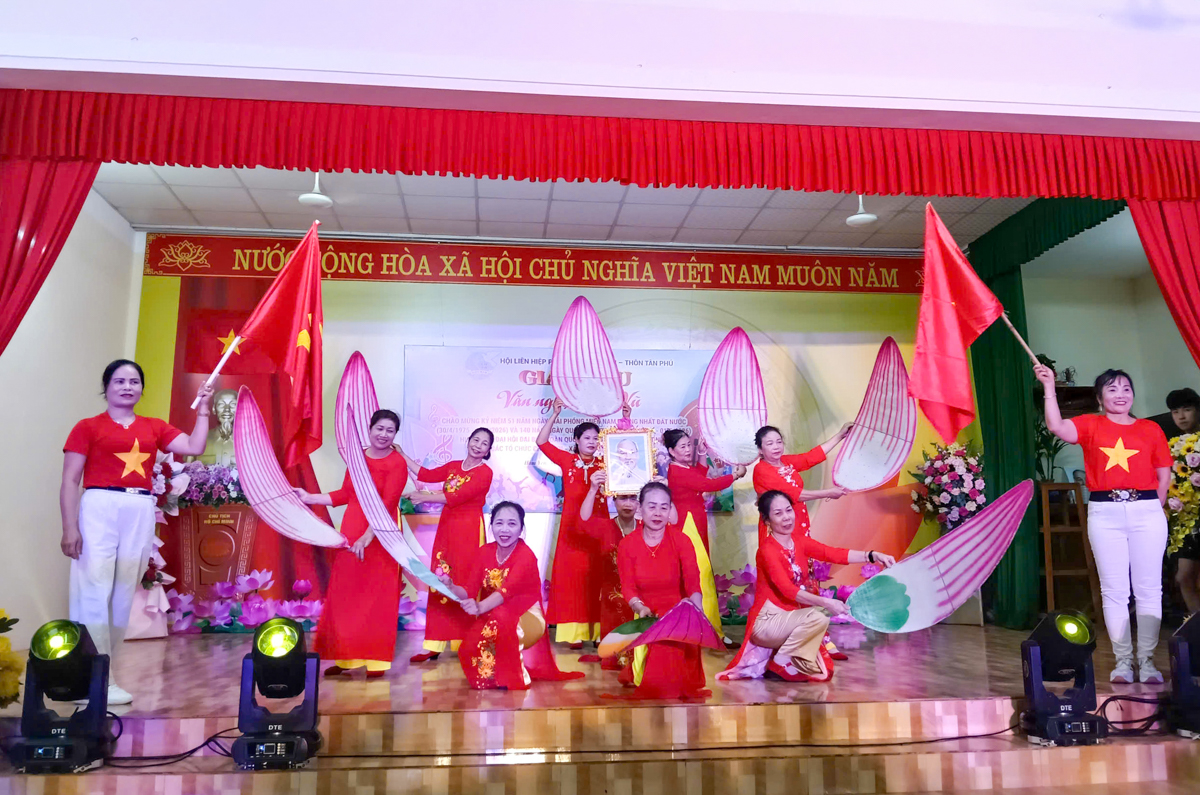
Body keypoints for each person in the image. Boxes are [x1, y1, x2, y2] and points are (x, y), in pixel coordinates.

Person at [61, 360, 213, 705]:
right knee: (93, 591)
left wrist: (203, 409)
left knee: (122, 597)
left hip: (139, 507)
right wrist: (69, 527)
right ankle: (87, 680)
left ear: (142, 388)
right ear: (106, 387)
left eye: (134, 381)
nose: (127, 387)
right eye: (119, 381)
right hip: (99, 504)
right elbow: (70, 480)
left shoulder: (154, 426)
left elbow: (194, 447)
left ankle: (105, 676)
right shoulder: (86, 427)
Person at [1037, 364, 1172, 684]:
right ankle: (1123, 661)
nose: (1120, 394)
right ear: (1099, 398)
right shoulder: (1090, 424)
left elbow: (1163, 473)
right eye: (1112, 389)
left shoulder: (1150, 429)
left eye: (1126, 388)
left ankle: (1147, 662)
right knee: (1114, 591)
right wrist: (1049, 387)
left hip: (1146, 511)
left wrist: (1152, 505)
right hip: (1105, 513)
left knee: (1149, 589)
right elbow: (1056, 426)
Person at [720, 491, 894, 682]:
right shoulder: (767, 550)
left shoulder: (799, 541)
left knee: (819, 659)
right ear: (767, 520)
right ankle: (780, 664)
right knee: (816, 617)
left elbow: (832, 553)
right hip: (766, 621)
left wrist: (872, 555)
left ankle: (782, 662)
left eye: (788, 510)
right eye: (778, 513)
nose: (786, 517)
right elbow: (787, 590)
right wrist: (827, 602)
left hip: (790, 619)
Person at [294, 409, 408, 678]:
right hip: (352, 530)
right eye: (380, 428)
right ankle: (347, 659)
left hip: (380, 535)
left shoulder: (397, 463)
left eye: (390, 431)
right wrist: (309, 497)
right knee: (348, 595)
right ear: (370, 429)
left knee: (376, 596)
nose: (384, 434)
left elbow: (388, 504)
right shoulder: (357, 458)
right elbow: (345, 494)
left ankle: (376, 661)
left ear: (395, 435)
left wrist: (368, 537)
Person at [437, 501, 586, 690]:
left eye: (512, 523)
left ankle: (518, 678)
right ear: (491, 525)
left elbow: (505, 592)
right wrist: (450, 586)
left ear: (521, 528)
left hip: (528, 618)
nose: (505, 529)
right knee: (468, 649)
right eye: (499, 523)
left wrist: (479, 607)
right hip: (493, 615)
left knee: (502, 618)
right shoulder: (484, 552)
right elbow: (468, 591)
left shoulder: (526, 556)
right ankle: (499, 674)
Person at [751, 423, 852, 659]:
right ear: (760, 449)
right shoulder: (761, 470)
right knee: (787, 585)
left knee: (806, 580)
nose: (776, 447)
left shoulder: (786, 463)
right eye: (769, 444)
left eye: (779, 441)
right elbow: (794, 495)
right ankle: (784, 641)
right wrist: (828, 492)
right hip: (779, 533)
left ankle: (819, 640)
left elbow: (810, 457)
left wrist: (839, 435)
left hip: (798, 529)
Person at [401, 427, 495, 663]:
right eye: (476, 440)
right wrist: (401, 454)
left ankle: (468, 642)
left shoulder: (485, 473)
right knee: (440, 579)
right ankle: (434, 643)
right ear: (468, 441)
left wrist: (424, 497)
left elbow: (457, 496)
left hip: (470, 531)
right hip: (447, 528)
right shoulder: (453, 466)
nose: (478, 445)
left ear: (488, 450)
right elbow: (425, 474)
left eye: (484, 443)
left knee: (466, 581)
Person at [612, 482, 709, 700]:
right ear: (640, 508)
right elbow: (628, 587)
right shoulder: (628, 545)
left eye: (664, 507)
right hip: (645, 611)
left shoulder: (681, 540)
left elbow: (693, 581)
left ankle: (665, 684)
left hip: (678, 611)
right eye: (652, 506)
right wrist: (639, 607)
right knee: (656, 627)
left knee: (670, 631)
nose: (658, 513)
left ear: (670, 509)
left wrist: (697, 610)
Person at [664, 429, 748, 648]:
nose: (687, 449)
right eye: (682, 446)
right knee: (701, 578)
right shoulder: (677, 471)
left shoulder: (682, 468)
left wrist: (701, 454)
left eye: (688, 445)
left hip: (693, 525)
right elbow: (707, 485)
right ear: (671, 451)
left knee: (699, 577)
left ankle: (701, 630)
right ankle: (710, 632)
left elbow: (699, 477)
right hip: (687, 527)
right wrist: (735, 475)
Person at [536, 398, 608, 648]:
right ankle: (573, 632)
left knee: (597, 576)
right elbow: (541, 442)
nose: (592, 441)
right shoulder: (567, 460)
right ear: (577, 440)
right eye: (587, 437)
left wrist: (626, 422)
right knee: (571, 577)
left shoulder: (605, 463)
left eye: (595, 438)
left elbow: (630, 455)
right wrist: (555, 415)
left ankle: (599, 631)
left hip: (598, 526)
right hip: (571, 528)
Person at [579, 470, 638, 672]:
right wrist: (593, 489)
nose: (628, 503)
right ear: (613, 500)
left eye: (633, 498)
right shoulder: (605, 527)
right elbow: (583, 523)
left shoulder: (646, 528)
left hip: (640, 597)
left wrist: (662, 489)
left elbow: (673, 521)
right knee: (613, 657)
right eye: (623, 498)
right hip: (612, 598)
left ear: (640, 502)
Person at [1166, 389, 1200, 614]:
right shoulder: (1171, 445)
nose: (1181, 416)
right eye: (1175, 411)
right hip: (1185, 520)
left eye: (1187, 409)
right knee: (1183, 577)